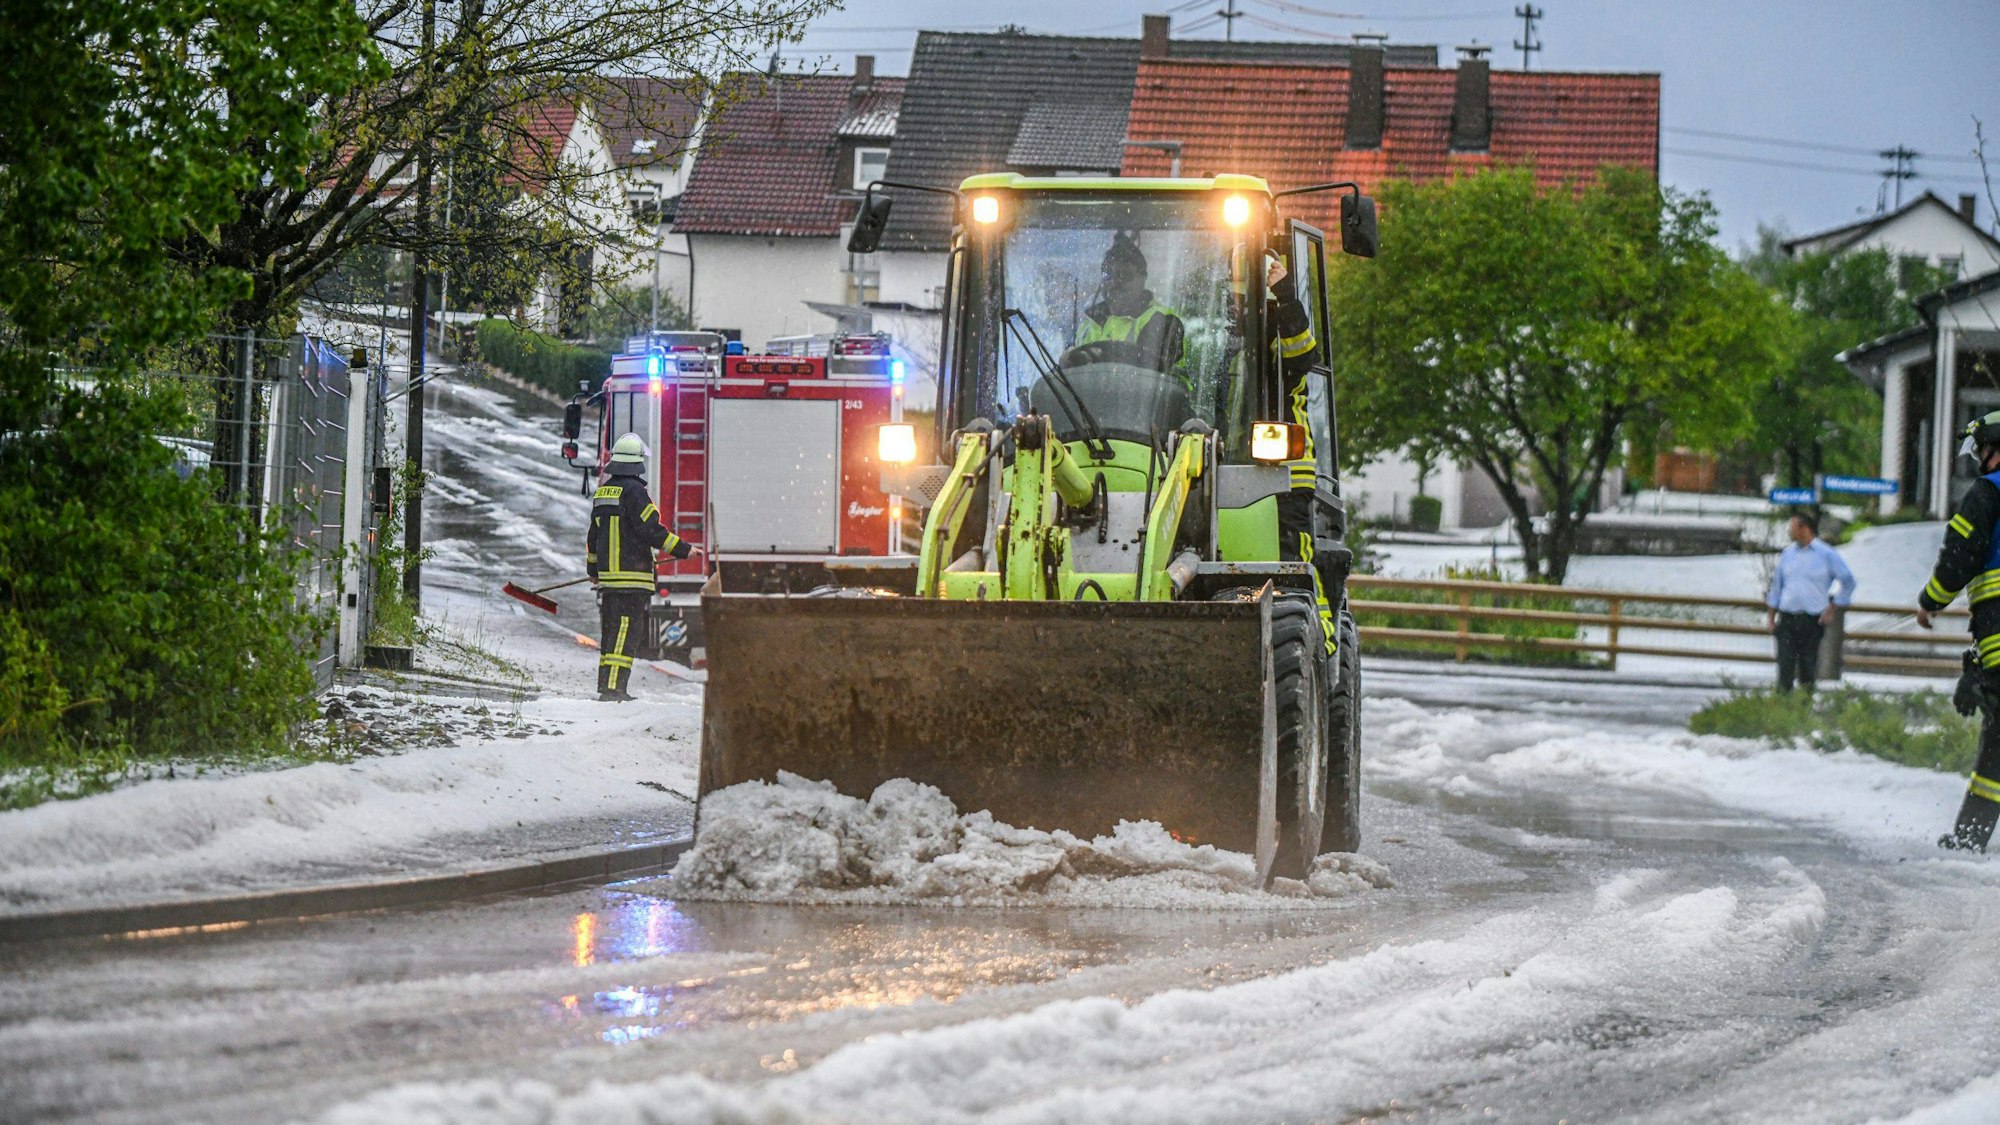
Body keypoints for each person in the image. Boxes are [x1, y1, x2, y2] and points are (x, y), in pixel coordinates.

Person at [1917, 409, 2000, 851]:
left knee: (1998, 747)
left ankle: (1969, 840)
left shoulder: (1988, 493)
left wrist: (1930, 600)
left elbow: (1961, 557)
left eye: (1983, 449)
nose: (1980, 459)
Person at [586, 432, 695, 701]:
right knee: (625, 635)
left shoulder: (603, 493)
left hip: (611, 582)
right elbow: (651, 531)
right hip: (632, 580)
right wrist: (684, 549)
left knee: (611, 635)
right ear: (636, 464)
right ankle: (614, 691)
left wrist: (594, 573)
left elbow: (593, 539)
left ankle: (607, 685)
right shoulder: (636, 492)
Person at [1069, 231, 1186, 377]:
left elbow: (1148, 381)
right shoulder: (1087, 326)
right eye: (1107, 275)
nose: (1114, 283)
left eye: (1124, 275)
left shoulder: (1162, 321)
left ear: (1143, 278)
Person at [1764, 511, 1855, 693]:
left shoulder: (1826, 554)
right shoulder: (1787, 554)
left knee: (1808, 665)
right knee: (1785, 665)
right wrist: (1771, 616)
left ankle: (1804, 707)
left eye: (1793, 527)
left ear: (1804, 528)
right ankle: (1782, 708)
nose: (1790, 531)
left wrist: (1833, 606)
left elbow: (1848, 581)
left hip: (1812, 619)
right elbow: (1777, 587)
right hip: (1788, 617)